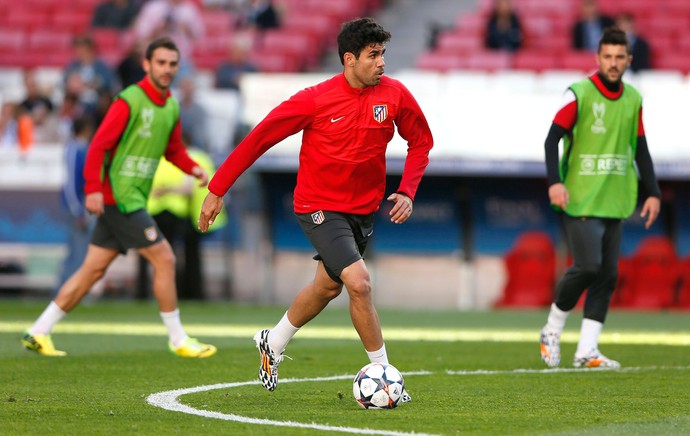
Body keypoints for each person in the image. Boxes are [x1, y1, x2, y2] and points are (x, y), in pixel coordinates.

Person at [198, 17, 433, 396]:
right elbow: (259, 138)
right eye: (373, 55)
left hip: (363, 211)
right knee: (360, 283)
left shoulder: (395, 95)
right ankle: (385, 375)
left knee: (327, 288)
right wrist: (217, 188)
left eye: (383, 54)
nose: (382, 63)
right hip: (318, 206)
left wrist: (407, 190)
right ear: (349, 59)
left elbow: (421, 141)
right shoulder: (315, 99)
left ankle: (272, 342)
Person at [21, 37, 217, 358]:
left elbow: (173, 150)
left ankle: (39, 330)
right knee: (164, 258)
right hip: (121, 199)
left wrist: (193, 168)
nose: (167, 69)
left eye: (172, 64)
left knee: (92, 270)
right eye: (161, 63)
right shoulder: (129, 100)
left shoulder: (170, 106)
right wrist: (93, 189)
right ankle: (178, 339)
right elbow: (98, 146)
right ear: (147, 65)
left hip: (132, 198)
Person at [540, 27, 661, 369]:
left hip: (615, 196)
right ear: (597, 58)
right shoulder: (578, 93)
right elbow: (552, 140)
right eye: (607, 56)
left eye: (619, 57)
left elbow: (640, 148)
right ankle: (551, 329)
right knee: (588, 266)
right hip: (579, 195)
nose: (613, 62)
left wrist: (652, 191)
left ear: (629, 60)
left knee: (607, 274)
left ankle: (586, 351)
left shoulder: (634, 98)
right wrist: (554, 182)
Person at [53, 115, 98, 296]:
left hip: (83, 205)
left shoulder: (83, 148)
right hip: (78, 207)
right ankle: (68, 293)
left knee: (80, 253)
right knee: (77, 254)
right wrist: (78, 211)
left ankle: (69, 293)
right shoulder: (74, 149)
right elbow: (71, 183)